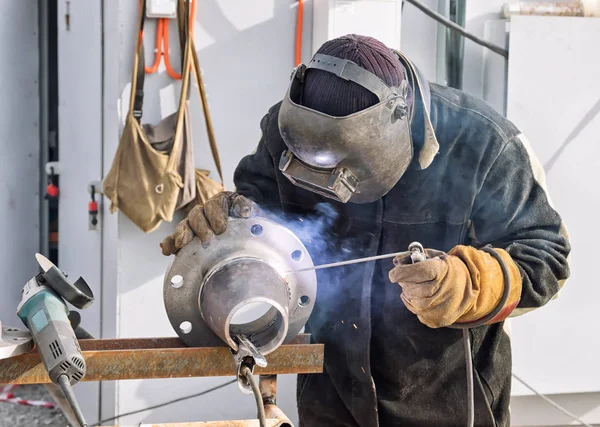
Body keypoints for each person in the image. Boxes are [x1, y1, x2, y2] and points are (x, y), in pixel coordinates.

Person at [160, 35, 570, 427]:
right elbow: (259, 218)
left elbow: (546, 257)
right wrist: (230, 222)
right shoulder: (290, 133)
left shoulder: (484, 144)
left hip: (447, 401)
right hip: (332, 396)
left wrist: (471, 283)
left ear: (397, 124)